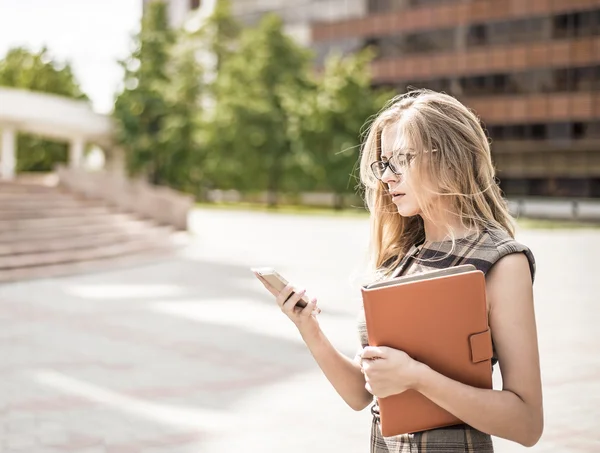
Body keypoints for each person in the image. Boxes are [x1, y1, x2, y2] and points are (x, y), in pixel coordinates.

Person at [254, 89, 543, 452]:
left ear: (449, 160)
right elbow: (362, 396)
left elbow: (527, 423)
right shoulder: (398, 260)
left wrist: (416, 377)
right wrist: (308, 327)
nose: (387, 177)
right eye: (384, 163)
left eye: (401, 159)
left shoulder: (501, 261)